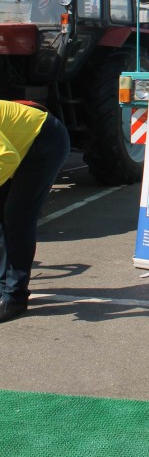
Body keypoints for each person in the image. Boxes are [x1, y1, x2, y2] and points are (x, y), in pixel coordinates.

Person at [0, 101, 70, 322]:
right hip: (20, 145)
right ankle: (4, 288)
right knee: (2, 220)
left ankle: (14, 298)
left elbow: (6, 157)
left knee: (16, 219)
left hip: (45, 141)